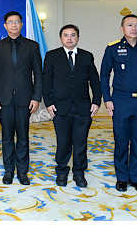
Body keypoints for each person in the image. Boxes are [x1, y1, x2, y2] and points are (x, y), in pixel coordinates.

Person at [100, 14, 137, 193]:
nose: (134, 28)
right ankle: (122, 178)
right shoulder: (113, 48)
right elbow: (104, 75)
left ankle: (136, 178)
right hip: (121, 100)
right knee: (121, 140)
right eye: (130, 25)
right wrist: (107, 99)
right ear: (122, 28)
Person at [43, 24, 102, 188]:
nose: (69, 38)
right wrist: (48, 103)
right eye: (66, 35)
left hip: (83, 108)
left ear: (78, 38)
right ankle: (62, 171)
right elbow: (46, 81)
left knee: (80, 142)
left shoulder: (87, 56)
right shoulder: (52, 56)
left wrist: (97, 101)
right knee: (63, 142)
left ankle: (79, 172)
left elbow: (95, 80)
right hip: (60, 108)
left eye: (73, 35)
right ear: (61, 38)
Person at [0, 11, 43, 185]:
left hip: (24, 99)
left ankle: (22, 171)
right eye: (10, 22)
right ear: (5, 25)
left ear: (21, 24)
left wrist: (36, 97)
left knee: (23, 136)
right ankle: (8, 171)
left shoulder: (32, 46)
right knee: (6, 136)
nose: (14, 25)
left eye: (17, 21)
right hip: (3, 99)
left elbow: (38, 74)